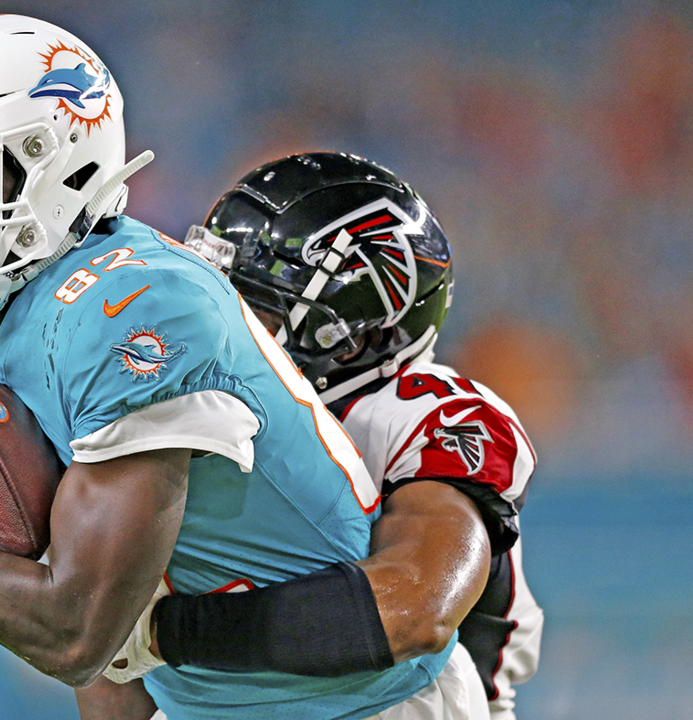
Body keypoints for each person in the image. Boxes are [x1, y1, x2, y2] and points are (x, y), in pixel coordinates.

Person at [0, 15, 463, 720]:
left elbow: (78, 632)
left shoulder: (137, 304)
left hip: (360, 706)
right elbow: (99, 635)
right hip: (205, 705)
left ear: (59, 164)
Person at [98, 152, 544, 720]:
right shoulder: (197, 400)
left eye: (251, 306)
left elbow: (416, 609)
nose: (218, 324)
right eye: (217, 293)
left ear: (353, 338)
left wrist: (164, 635)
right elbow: (111, 663)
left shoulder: (427, 415)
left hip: (403, 703)